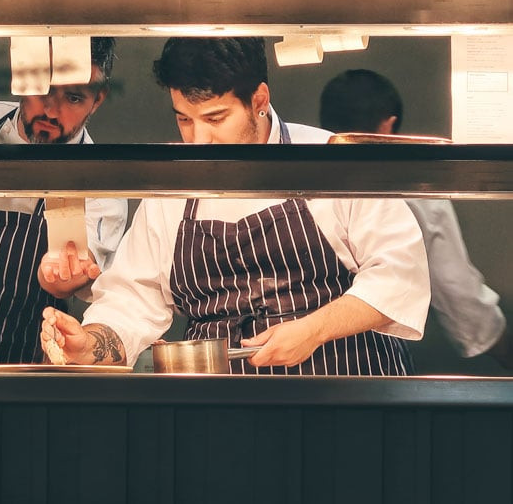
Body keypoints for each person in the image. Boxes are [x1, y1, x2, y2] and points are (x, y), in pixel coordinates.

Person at [40, 37, 431, 376]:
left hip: (346, 398)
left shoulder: (331, 161)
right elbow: (132, 299)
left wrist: (313, 330)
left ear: (259, 100)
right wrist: (88, 343)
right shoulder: (172, 186)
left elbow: (399, 275)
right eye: (184, 120)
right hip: (221, 411)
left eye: (215, 118)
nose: (199, 139)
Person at [0, 37, 128, 370]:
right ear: (21, 79)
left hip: (23, 368)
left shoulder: (98, 187)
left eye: (73, 98)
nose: (51, 110)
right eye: (42, 90)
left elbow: (71, 272)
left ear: (97, 100)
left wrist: (61, 274)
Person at [320, 69, 513, 369]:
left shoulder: (298, 181)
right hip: (375, 366)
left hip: (291, 367)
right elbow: (457, 293)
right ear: (389, 124)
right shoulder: (416, 193)